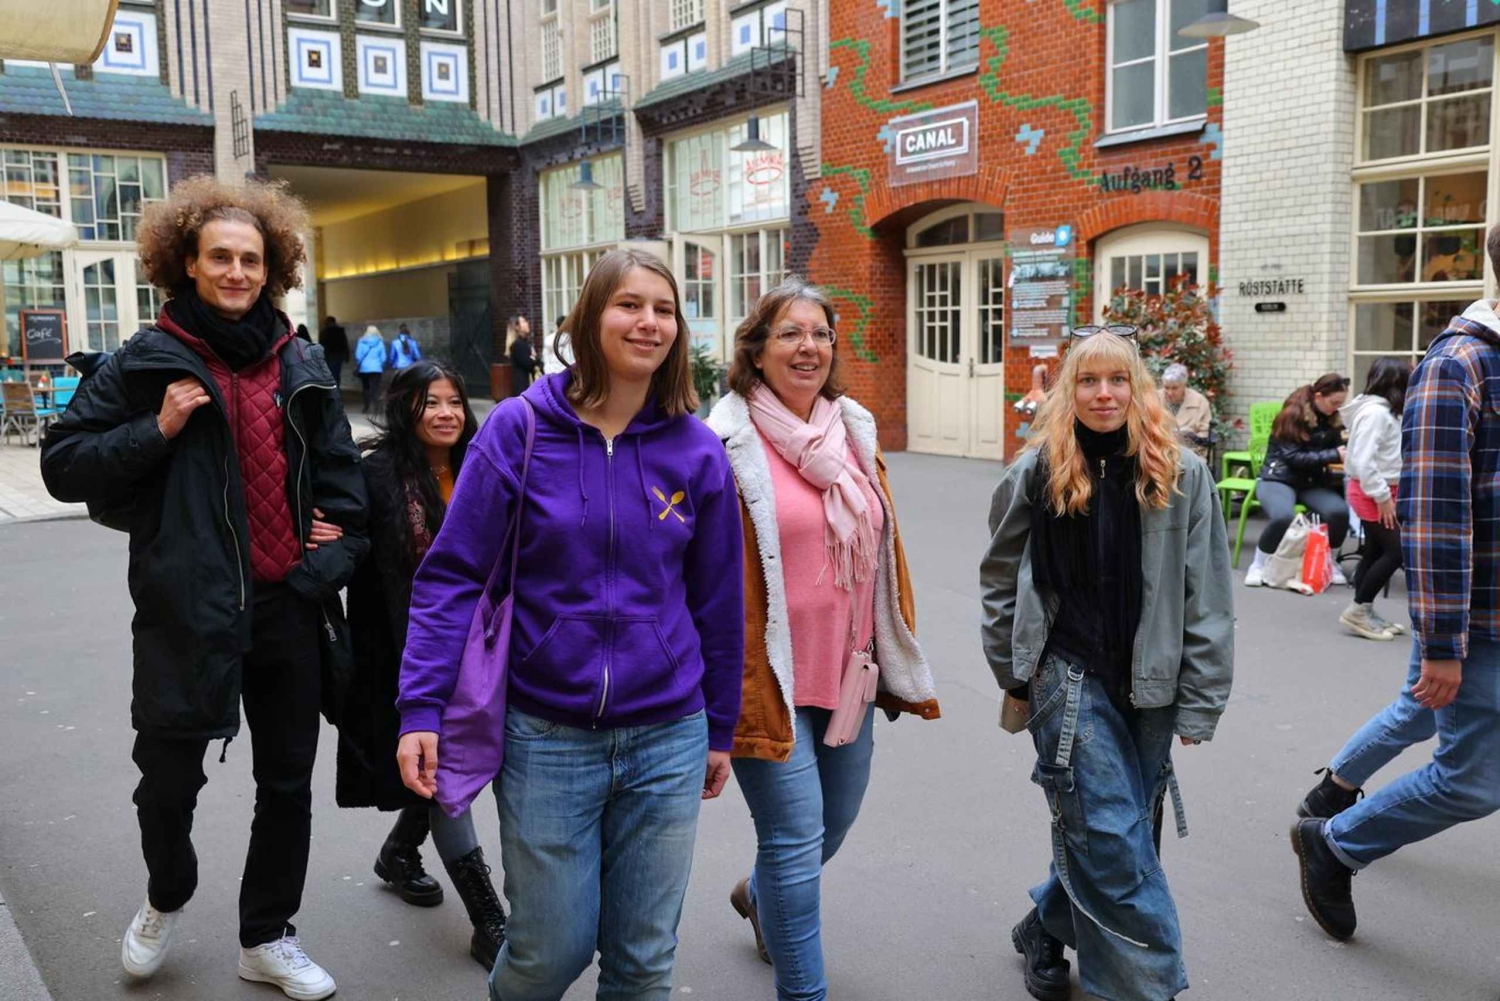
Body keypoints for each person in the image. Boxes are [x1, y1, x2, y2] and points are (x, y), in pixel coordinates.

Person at [39, 175, 368, 1000]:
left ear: (272, 266)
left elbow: (347, 492)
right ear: (186, 261)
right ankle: (166, 893)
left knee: (286, 785)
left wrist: (325, 558)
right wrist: (156, 427)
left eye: (250, 259)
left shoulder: (301, 360)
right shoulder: (144, 360)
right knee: (167, 785)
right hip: (185, 613)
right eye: (219, 256)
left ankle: (267, 935)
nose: (235, 272)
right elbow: (62, 463)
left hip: (288, 606)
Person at [395, 248, 745, 1001]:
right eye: (629, 304)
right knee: (548, 952)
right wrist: (420, 708)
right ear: (589, 317)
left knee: (643, 962)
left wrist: (720, 725)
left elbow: (719, 603)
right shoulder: (519, 429)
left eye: (664, 309)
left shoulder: (697, 450)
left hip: (668, 735)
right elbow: (452, 577)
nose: (648, 322)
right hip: (546, 736)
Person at [980, 328, 1234, 1001]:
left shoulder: (1182, 475)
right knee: (1114, 837)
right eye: (1088, 380)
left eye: (1116, 379)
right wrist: (1015, 669)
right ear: (1069, 391)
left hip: (1151, 684)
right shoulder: (1037, 472)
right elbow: (1000, 575)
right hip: (1066, 677)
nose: (1103, 393)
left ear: (1137, 388)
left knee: (1117, 832)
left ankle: (1046, 922)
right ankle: (1147, 989)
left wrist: (1202, 698)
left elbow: (1208, 596)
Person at [705, 278, 940, 1000]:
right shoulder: (723, 442)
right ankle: (803, 990)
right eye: (790, 333)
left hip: (848, 673)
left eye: (820, 334)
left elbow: (882, 550)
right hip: (765, 679)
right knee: (796, 838)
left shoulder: (854, 430)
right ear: (756, 349)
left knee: (831, 825)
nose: (808, 347)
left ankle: (759, 892)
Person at [1291, 244, 1500, 945]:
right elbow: (1437, 514)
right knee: (1467, 777)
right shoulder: (1459, 365)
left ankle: (1332, 795)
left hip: (1472, 608)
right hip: (1475, 614)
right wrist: (1442, 643)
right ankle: (1336, 838)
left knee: (1418, 713)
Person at [334, 360, 507, 970]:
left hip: (486, 647)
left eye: (454, 401)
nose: (446, 413)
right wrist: (325, 534)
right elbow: (350, 540)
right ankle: (488, 918)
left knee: (443, 765)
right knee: (443, 768)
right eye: (430, 402)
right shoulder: (378, 475)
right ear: (404, 408)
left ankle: (398, 853)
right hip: (409, 650)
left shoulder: (484, 466)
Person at [1243, 373, 1352, 588]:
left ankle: (1329, 562)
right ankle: (1258, 564)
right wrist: (1334, 454)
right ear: (1318, 396)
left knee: (1339, 512)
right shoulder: (1291, 415)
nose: (1337, 408)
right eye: (1334, 402)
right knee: (1283, 517)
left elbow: (1336, 447)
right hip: (1278, 477)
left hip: (1311, 481)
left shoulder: (1332, 418)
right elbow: (1292, 457)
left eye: (1341, 403)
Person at [1336, 358, 1413, 641]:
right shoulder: (1376, 414)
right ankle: (1358, 609)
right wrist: (1382, 497)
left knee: (1376, 550)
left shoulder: (1384, 411)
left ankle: (1363, 609)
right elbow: (1363, 461)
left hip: (1378, 490)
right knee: (1397, 551)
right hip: (1373, 492)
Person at [1160, 363, 1212, 461]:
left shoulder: (1199, 401)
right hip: (1160, 454)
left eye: (1174, 388)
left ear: (1184, 386)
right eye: (1166, 388)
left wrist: (1188, 438)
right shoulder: (1154, 399)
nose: (1169, 392)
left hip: (1192, 455)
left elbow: (1205, 436)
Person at [355, 324, 389, 416]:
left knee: (366, 388)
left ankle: (366, 407)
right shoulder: (380, 342)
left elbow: (358, 356)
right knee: (376, 388)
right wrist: (379, 364)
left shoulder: (361, 342)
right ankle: (376, 408)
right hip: (377, 369)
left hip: (364, 369)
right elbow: (383, 358)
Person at [506, 315, 539, 397]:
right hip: (522, 385)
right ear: (517, 327)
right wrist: (534, 357)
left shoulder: (524, 342)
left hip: (525, 384)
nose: (527, 323)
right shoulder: (518, 344)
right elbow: (528, 363)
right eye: (524, 321)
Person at [319, 315, 349, 387]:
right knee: (337, 374)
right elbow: (345, 344)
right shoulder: (340, 331)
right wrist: (347, 356)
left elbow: (322, 345)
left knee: (330, 374)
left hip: (329, 356)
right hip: (339, 356)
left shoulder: (324, 331)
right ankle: (337, 388)